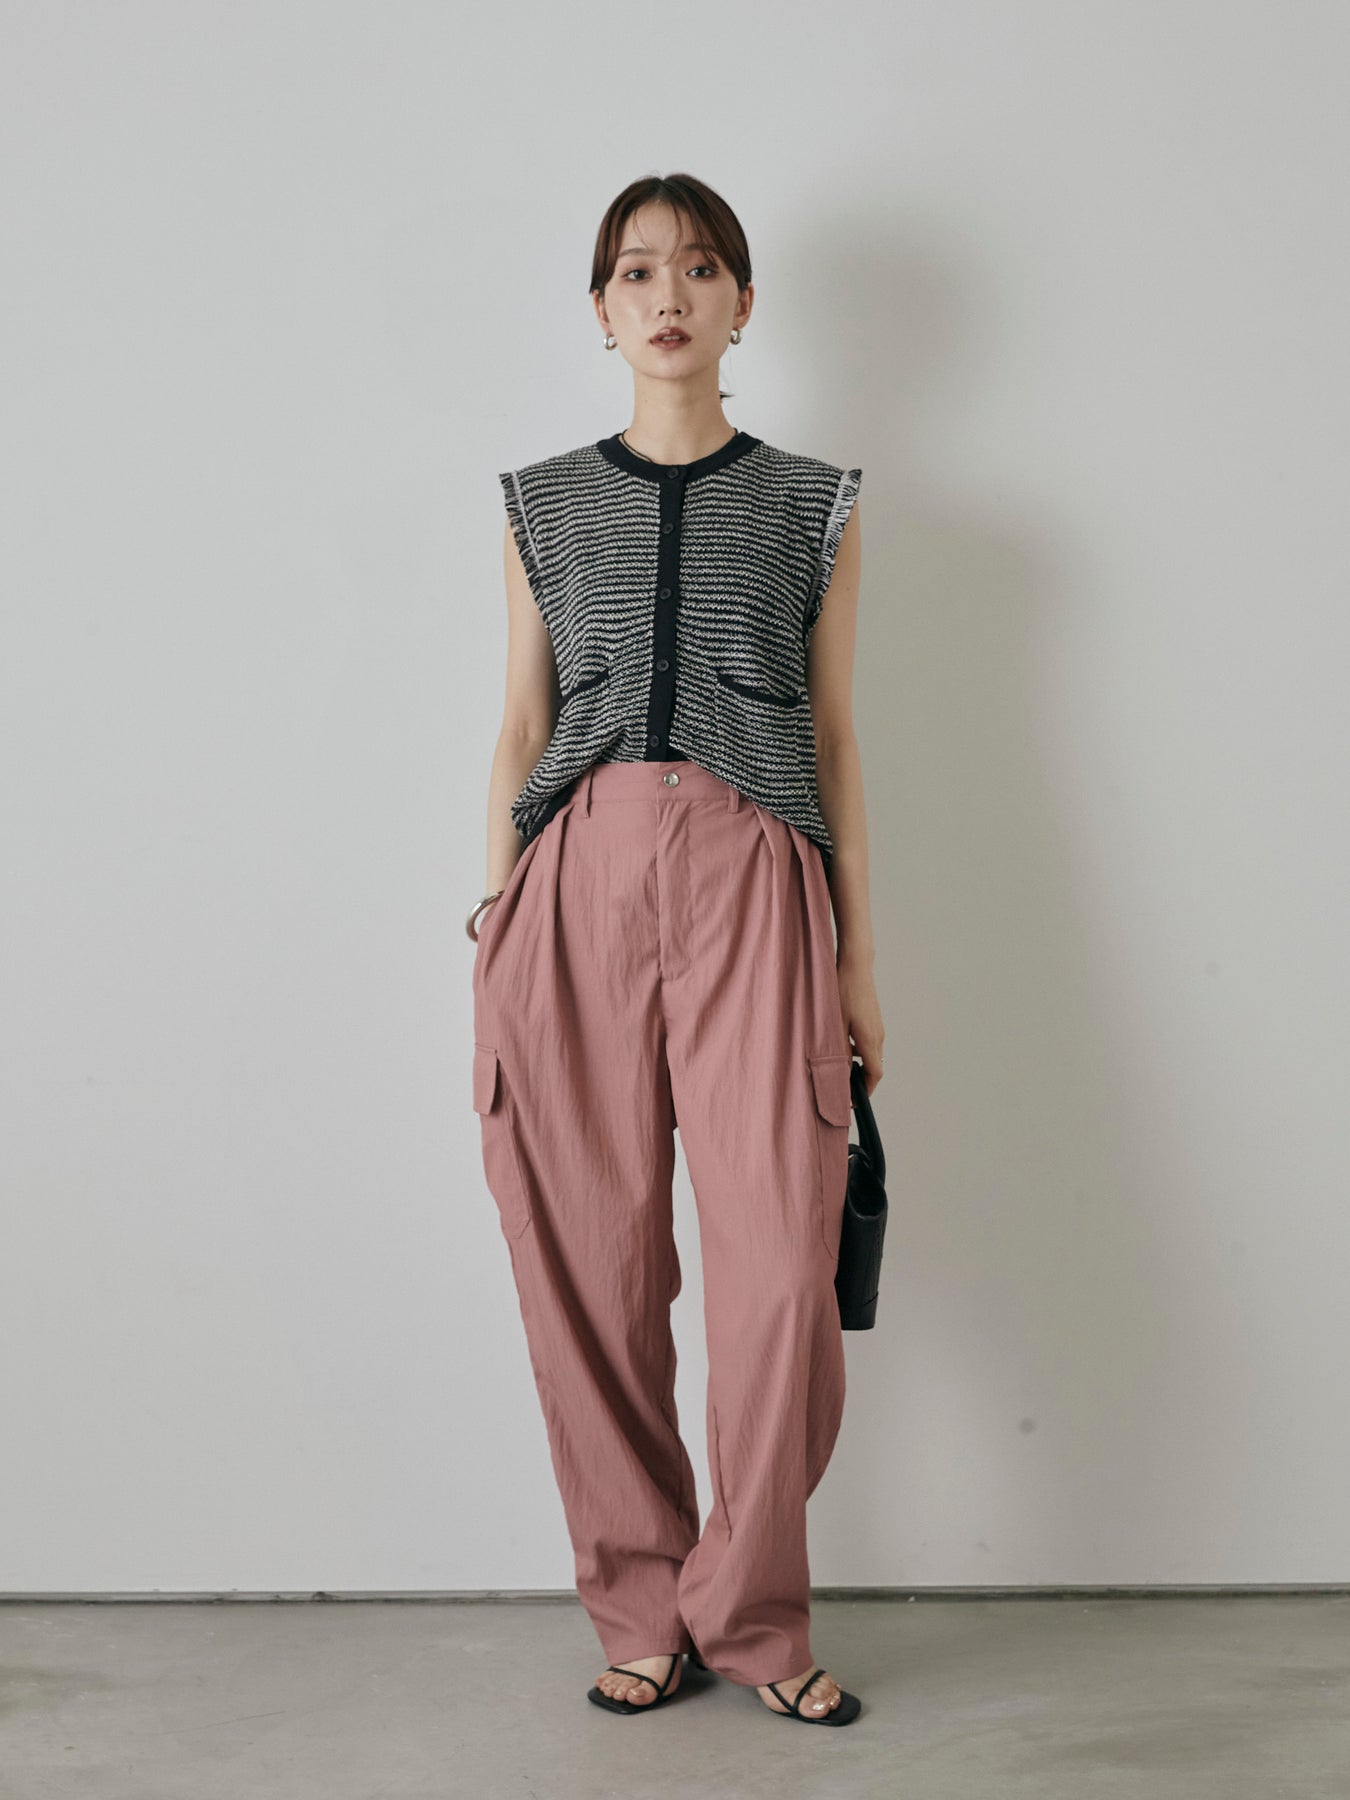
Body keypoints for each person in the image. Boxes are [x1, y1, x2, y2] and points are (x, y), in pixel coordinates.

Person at [469, 173, 883, 1727]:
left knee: (777, 1274)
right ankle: (642, 1607)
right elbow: (521, 718)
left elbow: (832, 735)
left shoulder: (814, 499)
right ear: (600, 310)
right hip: (568, 883)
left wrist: (855, 960)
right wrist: (495, 916)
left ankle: (751, 1615)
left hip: (756, 873)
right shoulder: (539, 501)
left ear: (741, 303)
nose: (667, 296)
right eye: (636, 271)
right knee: (588, 1260)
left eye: (699, 269)